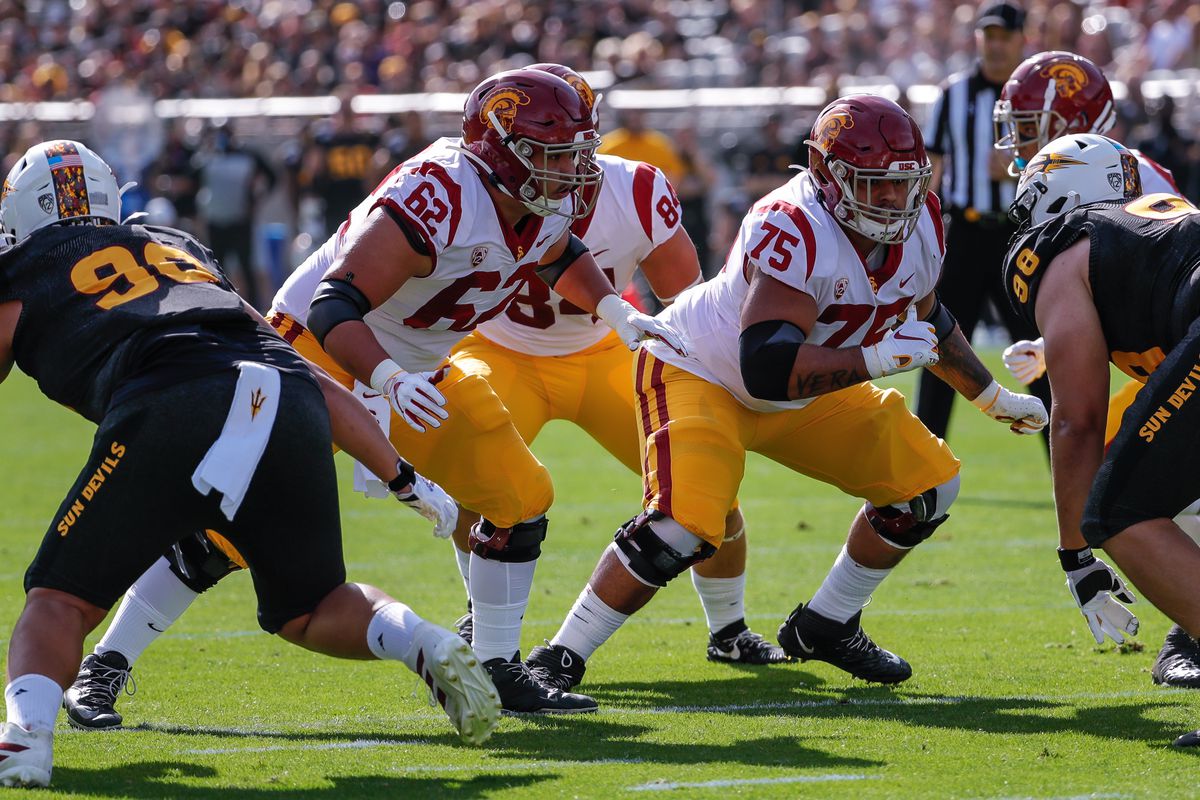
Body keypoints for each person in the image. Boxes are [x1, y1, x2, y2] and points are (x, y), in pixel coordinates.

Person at [0, 140, 500, 787]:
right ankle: (423, 642)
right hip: (285, 401)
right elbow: (308, 375)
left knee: (60, 599)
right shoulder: (171, 244)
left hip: (173, 398)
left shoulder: (26, 262)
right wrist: (403, 477)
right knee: (313, 607)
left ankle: (25, 739)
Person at [525, 95, 1047, 699]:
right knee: (683, 526)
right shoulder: (791, 223)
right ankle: (560, 656)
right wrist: (874, 359)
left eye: (902, 183)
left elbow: (932, 315)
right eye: (871, 183)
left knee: (928, 486)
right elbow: (766, 367)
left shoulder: (923, 218)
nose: (889, 199)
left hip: (806, 389)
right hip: (703, 372)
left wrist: (992, 399)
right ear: (824, 174)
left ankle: (827, 623)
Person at [443, 63, 788, 667]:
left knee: (705, 483)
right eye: (547, 150)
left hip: (603, 347)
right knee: (481, 478)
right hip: (497, 346)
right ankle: (485, 613)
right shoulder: (470, 189)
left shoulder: (636, 188)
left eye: (576, 147)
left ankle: (728, 629)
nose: (568, 164)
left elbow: (686, 298)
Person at [989, 51, 1200, 689]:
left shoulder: (1062, 244)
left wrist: (1076, 555)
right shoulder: (1146, 213)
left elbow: (1076, 420)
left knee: (1120, 508)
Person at [914, 1, 1048, 443]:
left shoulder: (1036, 95)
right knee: (941, 350)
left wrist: (1016, 166)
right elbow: (931, 166)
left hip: (1021, 234)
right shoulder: (953, 94)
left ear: (1021, 39)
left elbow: (1061, 158)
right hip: (966, 234)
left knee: (1037, 351)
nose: (993, 45)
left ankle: (1066, 456)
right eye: (987, 36)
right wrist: (922, 234)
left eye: (1003, 36)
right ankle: (924, 464)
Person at [193, 121, 277, 310]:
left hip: (241, 219)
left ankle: (255, 308)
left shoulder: (247, 155)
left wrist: (257, 198)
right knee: (217, 267)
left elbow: (272, 176)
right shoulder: (208, 156)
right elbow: (193, 177)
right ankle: (221, 307)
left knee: (246, 266)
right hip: (215, 221)